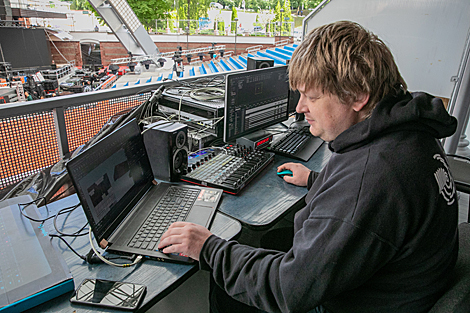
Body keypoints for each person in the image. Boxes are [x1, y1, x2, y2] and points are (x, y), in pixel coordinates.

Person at [158, 21, 459, 313]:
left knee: (226, 289)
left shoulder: (373, 176)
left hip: (358, 302)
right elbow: (366, 201)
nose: (300, 107)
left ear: (357, 95)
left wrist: (208, 247)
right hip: (395, 286)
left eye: (312, 96)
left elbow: (288, 290)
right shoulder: (405, 132)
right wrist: (315, 179)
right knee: (273, 240)